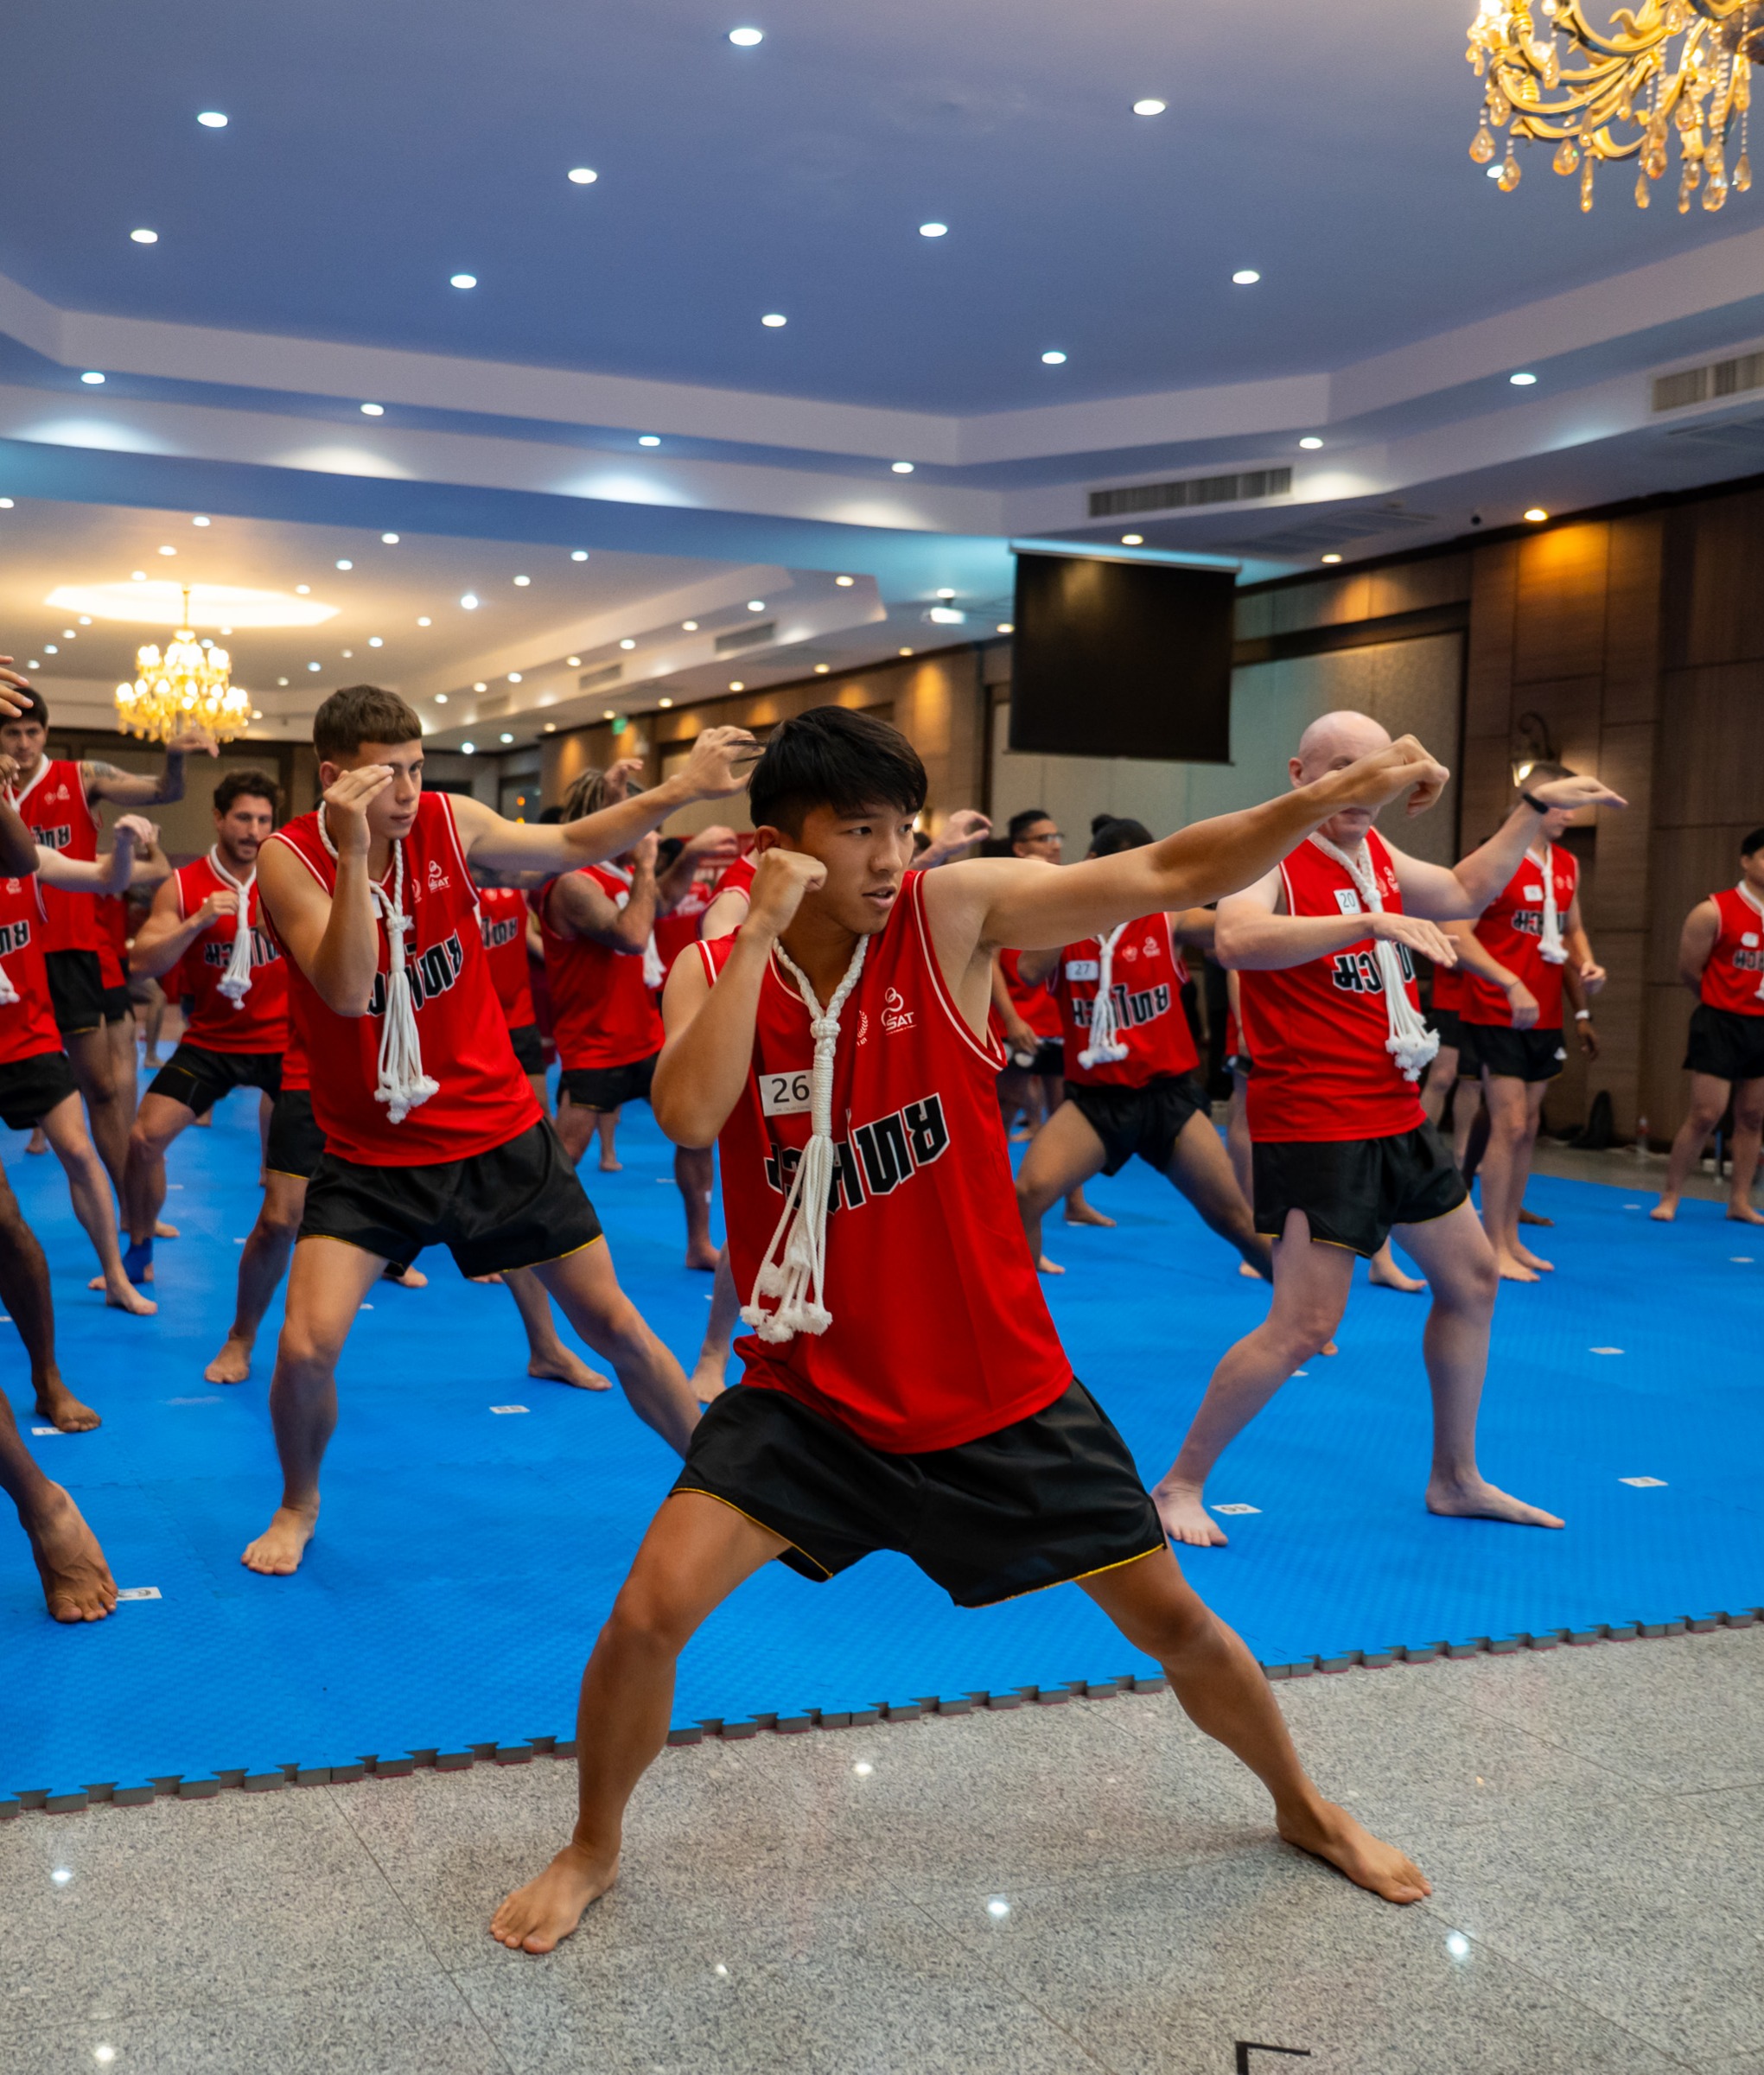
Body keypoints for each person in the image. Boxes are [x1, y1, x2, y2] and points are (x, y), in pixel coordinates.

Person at [487, 704, 1450, 1956]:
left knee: (1173, 1622)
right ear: (781, 841)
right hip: (809, 1394)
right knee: (644, 1614)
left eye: (904, 827)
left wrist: (1339, 793)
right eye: (858, 832)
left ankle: (1305, 1805)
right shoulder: (715, 966)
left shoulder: (952, 918)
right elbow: (688, 1112)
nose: (891, 859)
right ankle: (591, 1845)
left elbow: (1167, 872)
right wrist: (760, 931)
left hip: (997, 1385)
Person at [239, 686, 754, 1575]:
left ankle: (728, 1489)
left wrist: (682, 788)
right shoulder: (292, 859)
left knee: (619, 1326)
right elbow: (349, 989)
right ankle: (299, 1498)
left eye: (414, 768)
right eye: (383, 774)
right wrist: (358, 851)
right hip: (373, 1155)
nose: (406, 790)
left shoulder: (449, 819)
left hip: (498, 1134)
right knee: (306, 1344)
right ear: (333, 777)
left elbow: (568, 844)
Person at [1151, 713, 1623, 1550]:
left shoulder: (1374, 854)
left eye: (1374, 773)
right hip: (1317, 1121)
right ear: (1301, 773)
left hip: (1396, 1112)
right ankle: (1179, 1482)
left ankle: (1454, 1476)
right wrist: (1367, 925)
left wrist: (1530, 808)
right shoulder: (1270, 847)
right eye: (1340, 770)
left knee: (1473, 1280)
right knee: (1302, 1326)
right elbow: (1233, 937)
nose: (1360, 789)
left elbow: (1468, 890)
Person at [1014, 818, 1272, 1280]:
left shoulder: (1167, 918)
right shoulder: (1066, 926)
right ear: (1091, 866)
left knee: (1234, 1218)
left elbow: (1235, 931)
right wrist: (1068, 902)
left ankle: (1301, 1316)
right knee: (1027, 1194)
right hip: (1095, 1104)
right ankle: (1022, 1322)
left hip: (1166, 1099)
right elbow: (1031, 970)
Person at [0, 689, 215, 1193]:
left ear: (47, 734)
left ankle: (130, 1207)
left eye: (35, 732)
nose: (26, 742)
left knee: (100, 1089)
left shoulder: (80, 776)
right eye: (14, 732)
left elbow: (164, 791)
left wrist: (176, 758)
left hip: (69, 950)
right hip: (10, 953)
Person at [537, 772, 737, 1261]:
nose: (640, 829)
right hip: (595, 1043)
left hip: (644, 1037)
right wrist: (648, 861)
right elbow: (631, 933)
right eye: (629, 819)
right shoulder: (574, 883)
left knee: (696, 1129)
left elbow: (662, 903)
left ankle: (697, 1243)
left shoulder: (619, 874)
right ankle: (531, 1244)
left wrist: (686, 857)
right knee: (567, 1154)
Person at [118, 771, 287, 1283]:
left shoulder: (289, 879)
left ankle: (381, 1258)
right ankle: (140, 1251)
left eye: (263, 819)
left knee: (318, 1168)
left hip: (284, 1042)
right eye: (242, 817)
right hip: (212, 1042)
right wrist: (195, 923)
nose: (253, 830)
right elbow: (141, 965)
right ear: (218, 818)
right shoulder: (185, 884)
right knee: (144, 1140)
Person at [1452, 768, 1607, 1281]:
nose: (1570, 812)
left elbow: (1572, 928)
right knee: (1510, 1125)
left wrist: (1587, 966)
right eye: (1563, 801)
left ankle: (1511, 1238)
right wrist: (1506, 982)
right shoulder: (1496, 859)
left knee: (1530, 1128)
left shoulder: (1567, 864)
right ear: (1536, 800)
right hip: (1498, 1009)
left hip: (1545, 1011)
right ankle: (1490, 1242)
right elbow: (1457, 932)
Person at [1653, 827, 1764, 1225]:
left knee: (1753, 1116)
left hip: (1761, 1024)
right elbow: (1688, 970)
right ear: (1746, 860)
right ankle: (1671, 1195)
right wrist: (1722, 1000)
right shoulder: (1713, 910)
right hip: (1719, 1020)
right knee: (1705, 1113)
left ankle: (1739, 1201)